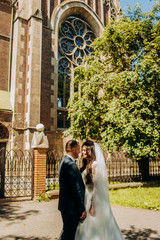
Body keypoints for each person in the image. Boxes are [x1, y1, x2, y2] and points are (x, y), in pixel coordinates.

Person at [75, 140, 125, 240]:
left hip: (92, 199)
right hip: (85, 198)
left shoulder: (95, 165)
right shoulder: (85, 165)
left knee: (93, 225)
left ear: (91, 151)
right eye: (82, 150)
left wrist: (92, 205)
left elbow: (97, 187)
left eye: (85, 150)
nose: (82, 152)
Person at [58, 140, 87, 240]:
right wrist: (82, 208)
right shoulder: (71, 165)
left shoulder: (63, 162)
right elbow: (77, 189)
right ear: (73, 149)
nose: (79, 152)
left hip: (64, 206)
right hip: (71, 208)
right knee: (70, 234)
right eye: (78, 149)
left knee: (66, 232)